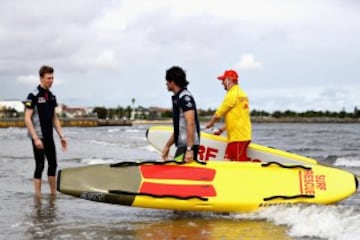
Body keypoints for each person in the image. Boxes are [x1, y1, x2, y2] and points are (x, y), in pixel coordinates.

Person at [24, 65, 68, 197]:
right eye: (49, 78)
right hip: (38, 136)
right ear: (41, 78)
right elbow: (27, 119)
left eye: (52, 78)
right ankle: (38, 196)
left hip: (49, 136)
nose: (51, 80)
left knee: (53, 164)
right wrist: (35, 138)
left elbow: (54, 118)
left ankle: (53, 195)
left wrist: (62, 136)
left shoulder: (52, 96)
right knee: (40, 165)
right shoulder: (33, 95)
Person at [206, 69, 252, 161]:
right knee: (226, 162)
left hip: (238, 139)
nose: (222, 83)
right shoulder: (242, 93)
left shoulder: (232, 94)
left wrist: (210, 124)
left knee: (241, 167)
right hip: (238, 137)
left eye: (223, 80)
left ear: (229, 80)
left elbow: (218, 114)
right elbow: (237, 118)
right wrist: (220, 130)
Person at [161, 66, 201, 163]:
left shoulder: (185, 97)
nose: (166, 83)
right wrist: (167, 146)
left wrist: (189, 149)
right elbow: (179, 128)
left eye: (167, 80)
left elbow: (191, 123)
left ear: (172, 82)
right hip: (182, 146)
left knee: (183, 173)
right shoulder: (178, 98)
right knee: (177, 168)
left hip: (187, 147)